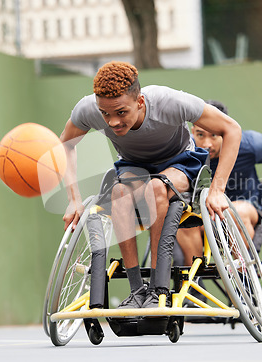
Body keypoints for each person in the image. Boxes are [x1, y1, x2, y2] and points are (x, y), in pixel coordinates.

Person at [59, 62, 242, 309]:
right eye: (106, 114)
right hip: (133, 165)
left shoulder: (170, 102)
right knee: (118, 193)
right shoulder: (88, 109)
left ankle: (158, 288)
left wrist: (218, 190)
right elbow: (65, 145)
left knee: (157, 187)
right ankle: (137, 291)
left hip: (180, 162)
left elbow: (232, 128)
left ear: (140, 102)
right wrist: (73, 199)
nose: (112, 122)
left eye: (121, 112)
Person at [176, 100, 262, 266]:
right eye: (201, 135)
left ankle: (240, 281)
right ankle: (196, 285)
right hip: (204, 219)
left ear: (225, 131)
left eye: (214, 136)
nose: (207, 144)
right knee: (182, 220)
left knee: (235, 212)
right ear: (193, 131)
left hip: (247, 208)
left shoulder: (249, 144)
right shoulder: (186, 150)